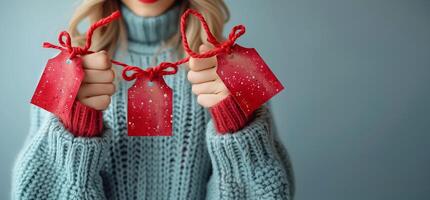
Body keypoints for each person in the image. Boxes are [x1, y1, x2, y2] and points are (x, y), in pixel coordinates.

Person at [12, 0, 294, 199]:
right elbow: (31, 193)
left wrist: (238, 126)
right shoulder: (66, 64)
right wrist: (74, 131)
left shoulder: (237, 63)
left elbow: (274, 192)